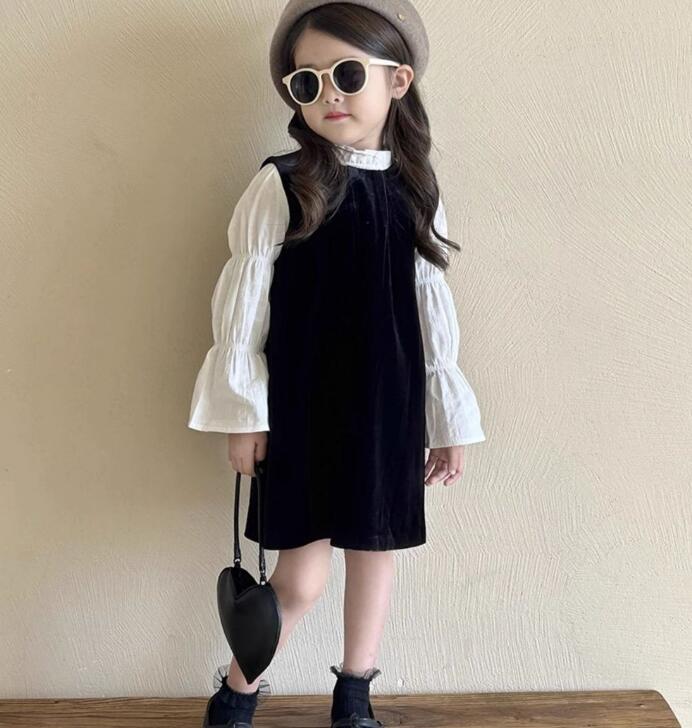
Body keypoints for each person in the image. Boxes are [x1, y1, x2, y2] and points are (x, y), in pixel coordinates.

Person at [188, 1, 487, 726]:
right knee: (301, 577)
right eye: (307, 82)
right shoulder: (284, 182)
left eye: (348, 74)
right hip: (303, 411)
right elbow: (243, 307)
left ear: (397, 80)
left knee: (376, 553)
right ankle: (237, 691)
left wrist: (447, 422)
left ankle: (354, 695)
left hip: (388, 410)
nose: (329, 94)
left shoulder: (416, 189)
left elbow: (431, 312)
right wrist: (244, 416)